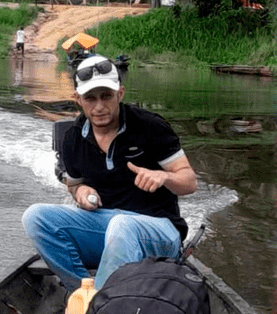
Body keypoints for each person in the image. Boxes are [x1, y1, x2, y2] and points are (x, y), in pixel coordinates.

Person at [22, 55, 198, 290]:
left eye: (106, 96)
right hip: (107, 230)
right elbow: (73, 185)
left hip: (160, 231)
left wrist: (164, 176)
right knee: (35, 217)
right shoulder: (73, 139)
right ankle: (82, 292)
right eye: (90, 98)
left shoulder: (150, 126)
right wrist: (81, 191)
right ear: (77, 99)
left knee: (122, 224)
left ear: (120, 94)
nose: (99, 107)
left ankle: (99, 308)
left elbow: (189, 182)